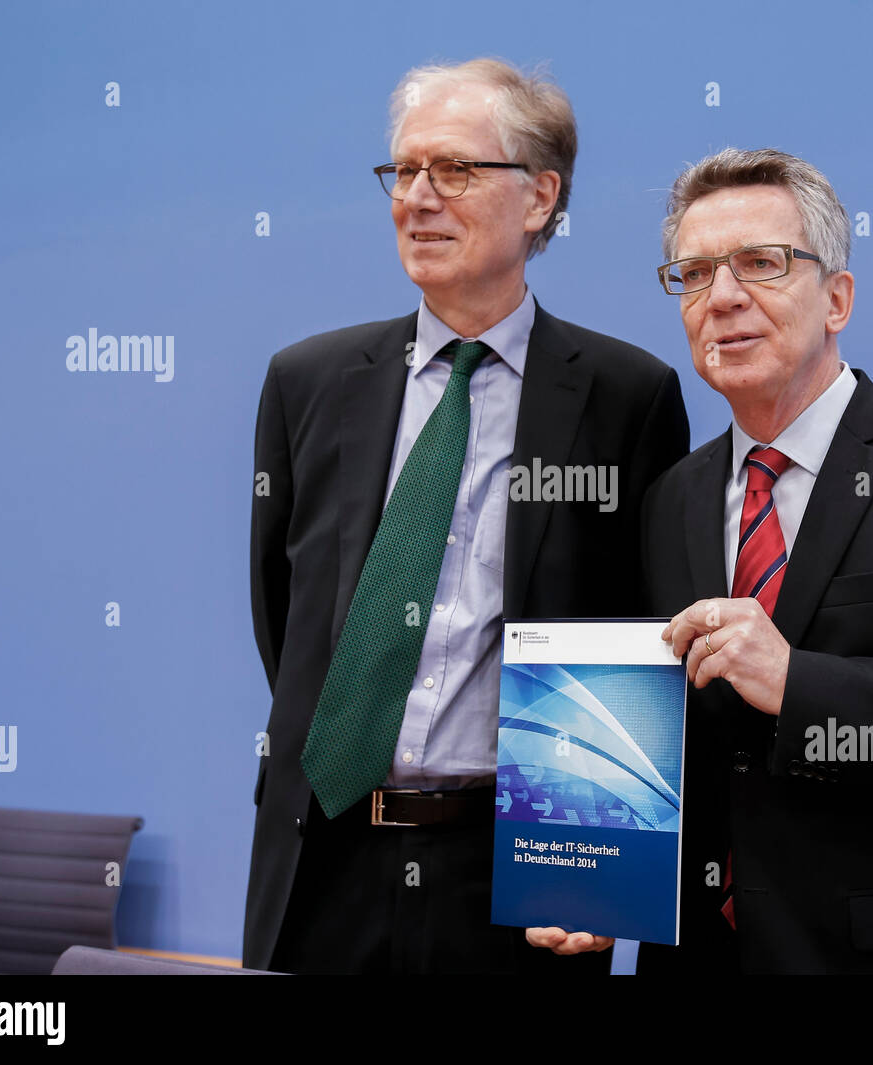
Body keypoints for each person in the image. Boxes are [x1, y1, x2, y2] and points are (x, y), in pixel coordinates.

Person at [531, 147, 873, 973]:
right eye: (693, 273)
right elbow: (668, 739)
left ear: (837, 298)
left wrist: (800, 683)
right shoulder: (669, 499)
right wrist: (603, 876)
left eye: (761, 263)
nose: (723, 297)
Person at [243, 59, 688, 975]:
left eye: (453, 170)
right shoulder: (309, 382)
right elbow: (286, 614)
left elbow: (636, 638)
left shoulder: (625, 396)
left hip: (518, 876)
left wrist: (598, 870)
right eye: (403, 172)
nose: (418, 197)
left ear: (539, 197)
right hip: (323, 852)